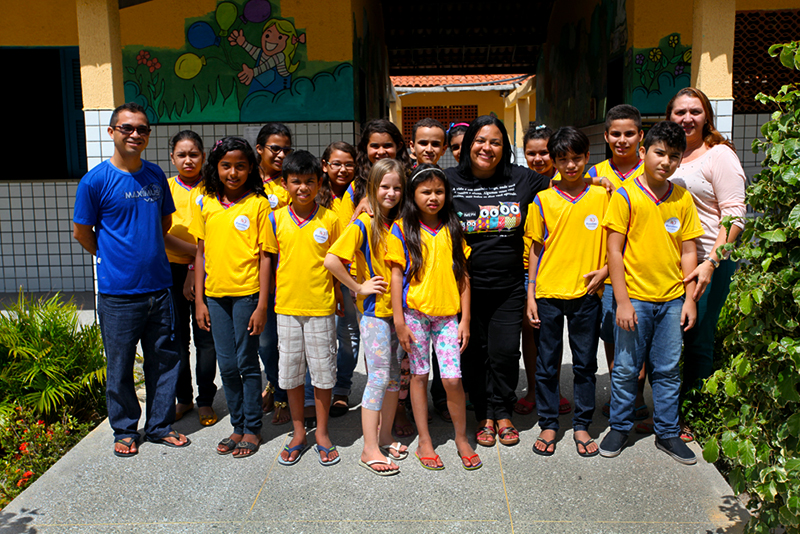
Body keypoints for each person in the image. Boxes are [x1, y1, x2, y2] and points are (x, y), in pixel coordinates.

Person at [73, 102, 189, 457]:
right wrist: (109, 256)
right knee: (120, 365)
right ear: (112, 132)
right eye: (127, 128)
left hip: (159, 288)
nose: (135, 134)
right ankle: (124, 429)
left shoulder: (155, 176)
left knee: (165, 360)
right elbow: (82, 232)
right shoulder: (95, 181)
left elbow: (164, 225)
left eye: (142, 129)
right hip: (118, 294)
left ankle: (158, 426)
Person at [599, 121, 703, 465]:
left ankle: (668, 433)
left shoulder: (682, 197)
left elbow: (689, 251)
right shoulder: (626, 196)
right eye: (660, 153)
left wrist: (689, 299)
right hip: (635, 300)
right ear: (644, 152)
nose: (666, 161)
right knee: (627, 368)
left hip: (673, 300)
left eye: (674, 156)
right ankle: (619, 426)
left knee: (669, 369)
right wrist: (623, 301)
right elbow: (614, 251)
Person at [445, 115, 550, 448]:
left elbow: (564, 187)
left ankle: (503, 411)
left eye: (495, 142)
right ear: (468, 144)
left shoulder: (522, 179)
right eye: (479, 140)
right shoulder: (448, 180)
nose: (486, 148)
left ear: (504, 148)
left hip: (508, 285)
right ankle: (484, 416)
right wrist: (365, 202)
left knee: (505, 352)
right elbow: (406, 192)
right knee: (473, 353)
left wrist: (596, 183)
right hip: (463, 286)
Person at [387, 164, 481, 471]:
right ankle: (425, 440)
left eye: (439, 191)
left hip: (447, 318)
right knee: (419, 375)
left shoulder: (453, 227)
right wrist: (399, 322)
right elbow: (395, 276)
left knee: (453, 378)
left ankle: (461, 437)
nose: (433, 197)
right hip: (414, 315)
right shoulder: (402, 228)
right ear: (413, 195)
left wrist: (465, 319)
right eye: (426, 191)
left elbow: (463, 276)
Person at [666, 87, 747, 442]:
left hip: (705, 262)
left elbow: (735, 217)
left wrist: (712, 263)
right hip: (669, 263)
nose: (687, 118)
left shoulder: (719, 156)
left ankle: (692, 415)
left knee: (698, 340)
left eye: (694, 111)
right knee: (668, 340)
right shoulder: (666, 155)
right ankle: (668, 410)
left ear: (707, 116)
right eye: (679, 112)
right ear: (669, 117)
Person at [525, 127, 608, 457]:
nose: (570, 165)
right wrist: (531, 293)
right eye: (563, 159)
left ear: (587, 158)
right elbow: (534, 248)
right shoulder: (543, 200)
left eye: (576, 158)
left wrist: (604, 272)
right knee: (547, 363)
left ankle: (582, 424)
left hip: (587, 295)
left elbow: (620, 241)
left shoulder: (604, 196)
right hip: (547, 293)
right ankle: (548, 422)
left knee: (585, 364)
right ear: (554, 162)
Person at [325, 158, 407, 476]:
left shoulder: (399, 222)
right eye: (384, 186)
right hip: (374, 314)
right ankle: (368, 448)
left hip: (398, 313)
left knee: (392, 379)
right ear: (372, 188)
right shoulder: (363, 223)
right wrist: (358, 287)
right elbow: (332, 260)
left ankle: (384, 437)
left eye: (397, 187)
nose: (391, 192)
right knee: (376, 378)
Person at [191, 137, 271, 458]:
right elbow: (200, 253)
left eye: (240, 166)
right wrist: (199, 300)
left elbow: (266, 257)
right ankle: (236, 426)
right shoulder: (206, 202)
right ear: (216, 168)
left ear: (251, 168)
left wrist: (262, 304)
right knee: (226, 365)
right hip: (214, 298)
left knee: (246, 362)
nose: (233, 172)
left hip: (247, 296)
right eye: (226, 166)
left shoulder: (258, 204)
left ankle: (252, 428)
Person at [265, 150, 343, 467]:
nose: (303, 188)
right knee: (292, 374)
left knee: (323, 375)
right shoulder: (275, 218)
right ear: (284, 183)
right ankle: (299, 433)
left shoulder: (331, 219)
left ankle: (322, 433)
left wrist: (339, 297)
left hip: (321, 307)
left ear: (319, 182)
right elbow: (268, 263)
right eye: (295, 181)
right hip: (286, 308)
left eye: (309, 181)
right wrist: (265, 303)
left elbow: (338, 265)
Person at [341, 119, 415, 437]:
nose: (381, 150)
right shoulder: (357, 194)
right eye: (374, 145)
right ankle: (374, 439)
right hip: (374, 303)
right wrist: (358, 286)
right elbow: (340, 249)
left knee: (396, 372)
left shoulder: (405, 197)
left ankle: (389, 426)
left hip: (404, 301)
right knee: (380, 372)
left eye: (387, 144)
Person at [584, 105, 649, 424]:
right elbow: (556, 189)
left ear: (641, 136)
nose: (622, 140)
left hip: (645, 273)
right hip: (607, 277)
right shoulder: (594, 174)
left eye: (629, 134)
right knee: (613, 337)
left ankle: (637, 397)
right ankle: (620, 394)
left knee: (642, 339)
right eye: (615, 134)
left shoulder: (652, 172)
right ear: (606, 136)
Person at [516, 124, 571, 418]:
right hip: (527, 267)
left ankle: (555, 389)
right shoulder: (521, 182)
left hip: (562, 268)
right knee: (532, 331)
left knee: (554, 334)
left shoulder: (570, 181)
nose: (538, 158)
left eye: (544, 152)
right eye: (531, 153)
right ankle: (534, 389)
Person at [165, 130, 218, 427]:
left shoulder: (213, 191)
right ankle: (183, 397)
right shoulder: (164, 188)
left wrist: (193, 269)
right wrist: (188, 263)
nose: (188, 160)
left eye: (193, 154)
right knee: (177, 340)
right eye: (182, 155)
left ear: (203, 157)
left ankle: (206, 400)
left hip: (206, 271)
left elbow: (212, 240)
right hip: (168, 273)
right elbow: (161, 234)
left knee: (205, 339)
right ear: (172, 157)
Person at [316, 142, 360, 420]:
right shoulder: (314, 194)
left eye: (349, 164)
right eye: (336, 164)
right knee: (321, 334)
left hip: (351, 276)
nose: (343, 169)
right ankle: (318, 390)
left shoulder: (361, 193)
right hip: (319, 276)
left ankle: (342, 390)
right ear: (325, 165)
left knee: (347, 335)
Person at [255, 123, 293, 425]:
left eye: (286, 150)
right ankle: (274, 383)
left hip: (286, 273)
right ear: (259, 149)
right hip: (249, 273)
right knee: (265, 341)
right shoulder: (245, 181)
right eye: (274, 148)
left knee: (286, 339)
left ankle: (284, 394)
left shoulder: (289, 185)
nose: (281, 155)